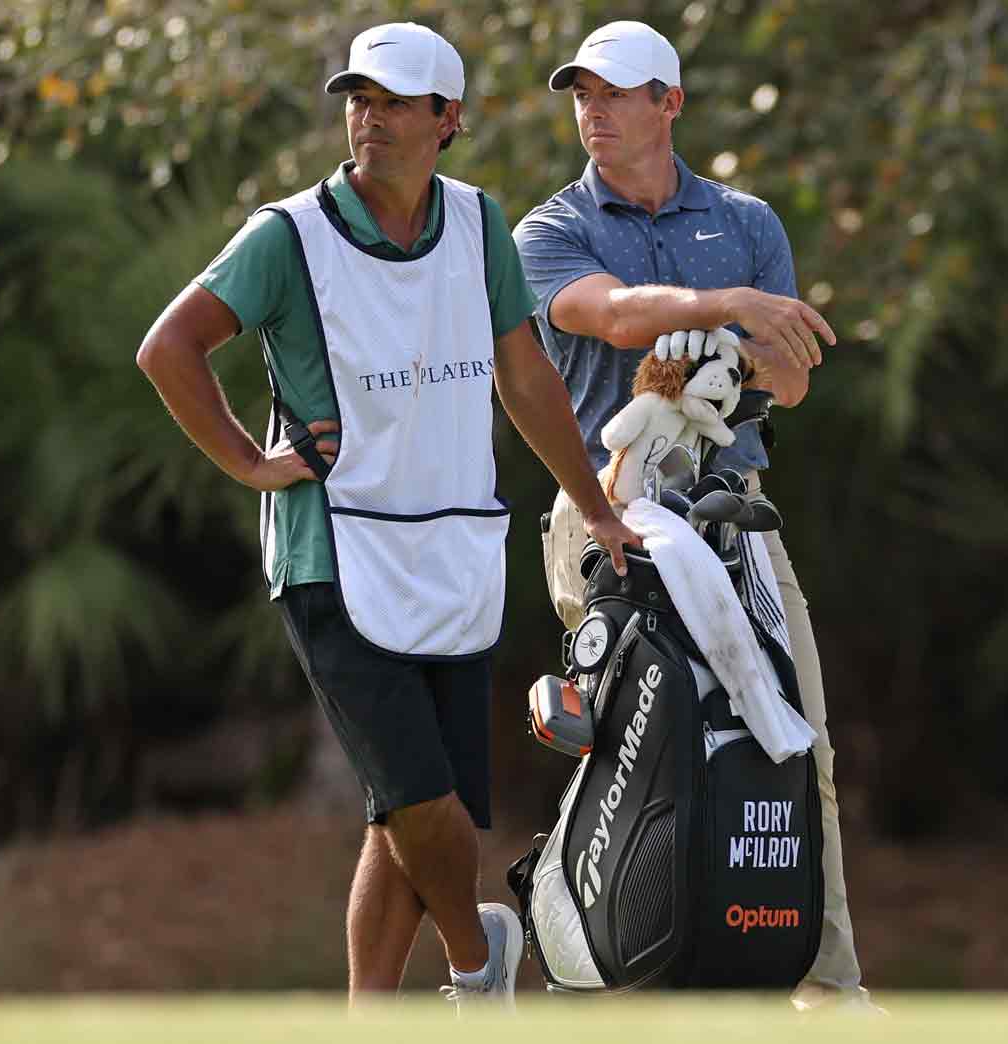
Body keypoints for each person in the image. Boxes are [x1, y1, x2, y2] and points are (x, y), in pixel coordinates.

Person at [134, 22, 639, 1010]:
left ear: (447, 120)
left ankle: (371, 1018)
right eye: (357, 98)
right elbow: (169, 349)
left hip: (453, 547)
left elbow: (525, 378)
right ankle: (475, 961)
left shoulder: (479, 223)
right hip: (332, 555)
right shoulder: (289, 236)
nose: (367, 116)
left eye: (394, 100)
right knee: (418, 797)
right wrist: (248, 462)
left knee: (394, 817)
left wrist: (596, 506)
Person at [513, 20, 879, 1012]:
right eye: (580, 94)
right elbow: (608, 316)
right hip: (606, 511)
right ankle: (598, 948)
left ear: (667, 102)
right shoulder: (550, 229)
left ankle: (826, 981)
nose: (592, 112)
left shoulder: (747, 219)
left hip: (735, 516)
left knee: (800, 738)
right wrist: (724, 312)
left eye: (614, 92)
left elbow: (792, 377)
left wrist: (731, 359)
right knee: (638, 728)